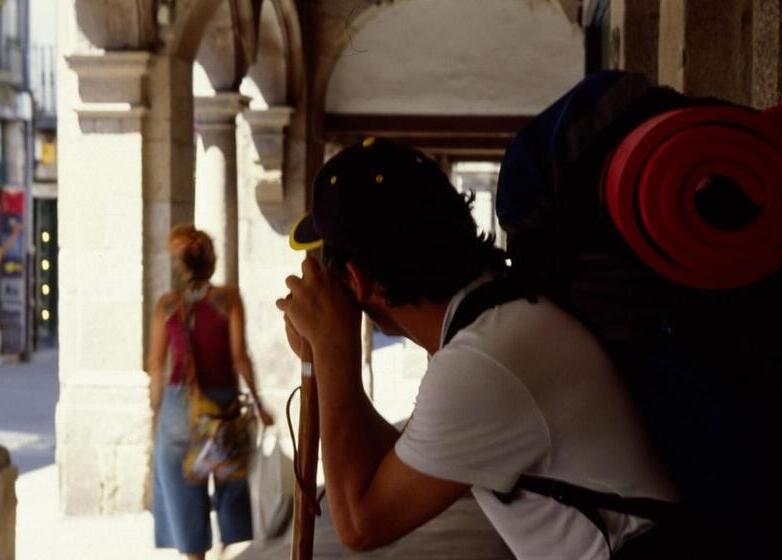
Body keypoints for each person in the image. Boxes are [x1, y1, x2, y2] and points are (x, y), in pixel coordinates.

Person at [276, 138, 677, 559]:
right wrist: (327, 356)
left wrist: (332, 350)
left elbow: (362, 523)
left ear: (355, 281)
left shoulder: (481, 361)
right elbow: (399, 465)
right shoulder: (493, 317)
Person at [147, 224, 273, 560]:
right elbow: (239, 356)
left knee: (181, 489)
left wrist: (157, 415)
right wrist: (259, 405)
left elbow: (156, 366)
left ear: (179, 265)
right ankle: (226, 542)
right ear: (210, 261)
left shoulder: (165, 307)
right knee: (229, 475)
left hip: (178, 408)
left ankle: (195, 555)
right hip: (222, 404)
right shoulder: (228, 299)